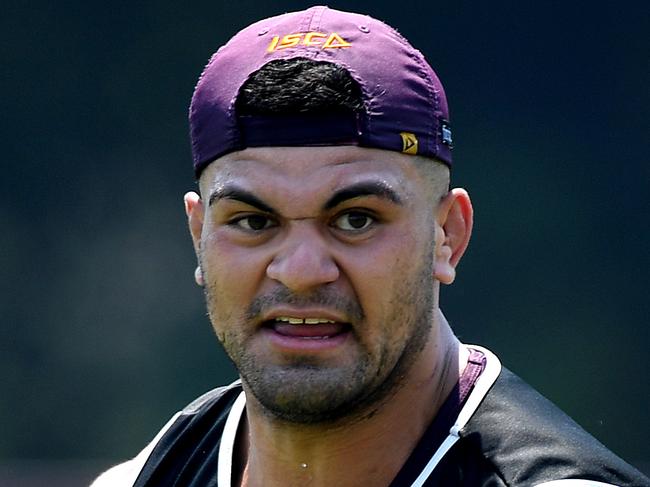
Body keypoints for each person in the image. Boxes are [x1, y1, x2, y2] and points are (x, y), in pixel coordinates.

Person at [92, 6, 649, 487]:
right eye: (254, 221)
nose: (301, 271)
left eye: (355, 219)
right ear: (200, 238)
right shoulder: (141, 477)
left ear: (447, 236)